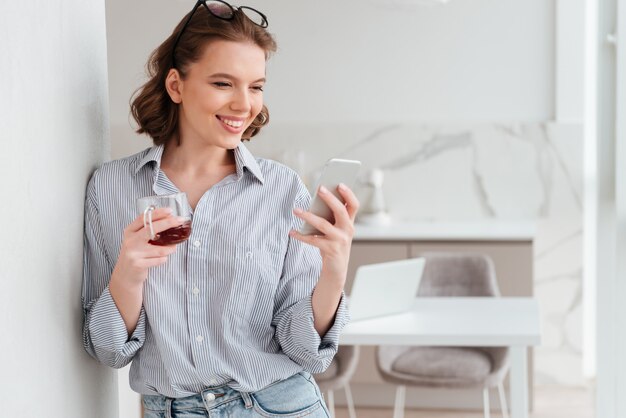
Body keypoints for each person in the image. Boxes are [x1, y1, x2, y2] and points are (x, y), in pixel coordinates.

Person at [81, 1, 359, 417]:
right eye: (223, 83)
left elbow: (304, 351)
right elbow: (106, 349)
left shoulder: (281, 189)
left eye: (256, 86)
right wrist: (128, 274)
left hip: (278, 405)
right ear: (176, 86)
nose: (244, 105)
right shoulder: (112, 188)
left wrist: (335, 274)